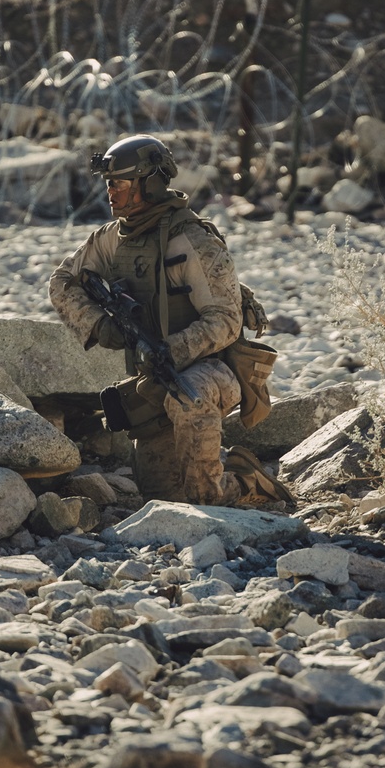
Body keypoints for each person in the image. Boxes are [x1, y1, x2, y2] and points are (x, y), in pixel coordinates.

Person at [49, 134, 288, 507]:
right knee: (162, 497)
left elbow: (226, 319)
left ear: (152, 182)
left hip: (210, 373)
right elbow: (62, 282)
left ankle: (250, 485)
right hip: (154, 378)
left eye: (121, 184)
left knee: (203, 490)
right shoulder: (112, 239)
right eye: (109, 184)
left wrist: (169, 350)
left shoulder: (192, 241)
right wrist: (99, 324)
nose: (111, 193)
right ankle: (230, 470)